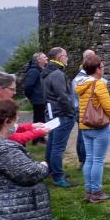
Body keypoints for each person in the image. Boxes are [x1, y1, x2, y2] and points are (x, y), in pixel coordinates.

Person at [75, 55, 110, 203]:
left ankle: (89, 190)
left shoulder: (81, 84)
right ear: (97, 69)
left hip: (85, 125)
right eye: (103, 66)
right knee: (98, 160)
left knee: (90, 159)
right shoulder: (99, 84)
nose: (104, 69)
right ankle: (97, 192)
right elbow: (107, 105)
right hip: (100, 126)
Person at [41, 47, 76, 187]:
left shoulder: (46, 72)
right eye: (66, 56)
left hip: (52, 112)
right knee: (58, 147)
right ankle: (58, 177)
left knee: (52, 143)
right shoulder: (57, 74)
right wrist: (70, 113)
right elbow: (63, 96)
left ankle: (51, 170)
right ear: (60, 57)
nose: (67, 58)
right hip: (61, 113)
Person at [73, 49, 96, 168]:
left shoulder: (84, 77)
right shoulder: (81, 78)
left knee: (84, 135)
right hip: (82, 109)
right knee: (83, 136)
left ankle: (86, 160)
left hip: (84, 108)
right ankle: (83, 160)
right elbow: (77, 96)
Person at [24, 52, 49, 145]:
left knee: (42, 119)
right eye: (44, 57)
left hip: (42, 98)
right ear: (38, 60)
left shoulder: (41, 69)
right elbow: (28, 86)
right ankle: (35, 139)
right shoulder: (34, 71)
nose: (46, 58)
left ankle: (40, 137)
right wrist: (32, 97)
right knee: (38, 119)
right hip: (38, 99)